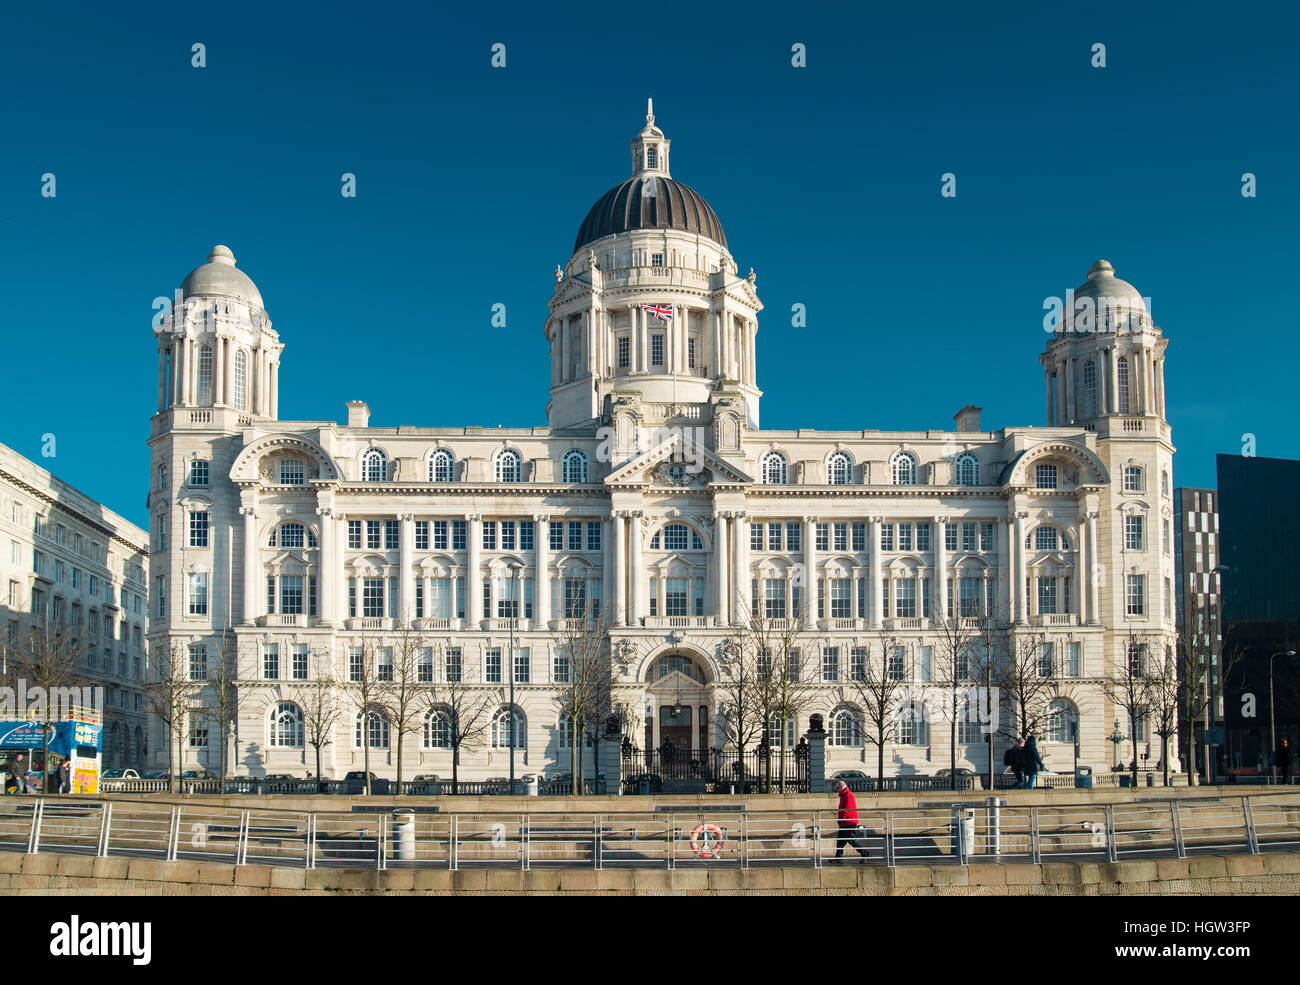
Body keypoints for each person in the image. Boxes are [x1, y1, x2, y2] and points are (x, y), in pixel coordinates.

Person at [830, 779, 871, 863]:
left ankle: (864, 853)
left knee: (850, 840)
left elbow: (847, 809)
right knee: (840, 841)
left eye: (837, 788)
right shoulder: (845, 795)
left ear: (841, 787)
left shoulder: (848, 796)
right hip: (846, 822)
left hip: (849, 822)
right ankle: (838, 857)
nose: (836, 790)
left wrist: (842, 819)